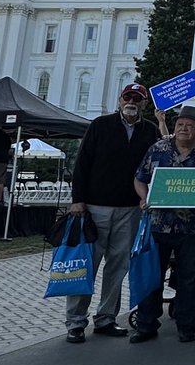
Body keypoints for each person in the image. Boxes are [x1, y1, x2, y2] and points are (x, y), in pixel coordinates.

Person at [64, 83, 159, 343]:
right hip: (95, 207)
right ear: (120, 100)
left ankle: (106, 317)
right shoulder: (101, 125)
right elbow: (82, 163)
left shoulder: (149, 130)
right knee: (87, 265)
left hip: (130, 209)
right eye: (128, 97)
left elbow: (155, 166)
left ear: (144, 104)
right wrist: (77, 200)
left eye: (137, 99)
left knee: (118, 266)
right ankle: (75, 321)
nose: (132, 102)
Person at [132, 105, 195, 344]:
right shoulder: (158, 149)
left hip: (192, 227)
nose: (184, 129)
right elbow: (140, 178)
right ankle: (146, 324)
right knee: (153, 276)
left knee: (190, 278)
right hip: (158, 225)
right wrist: (144, 198)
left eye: (190, 125)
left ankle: (186, 325)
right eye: (180, 124)